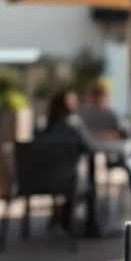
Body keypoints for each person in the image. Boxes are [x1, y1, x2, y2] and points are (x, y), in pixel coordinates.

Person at [38, 90, 92, 230]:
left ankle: (63, 213)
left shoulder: (41, 131)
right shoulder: (73, 130)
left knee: (65, 174)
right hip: (68, 181)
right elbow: (88, 149)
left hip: (38, 182)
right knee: (86, 182)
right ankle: (88, 224)